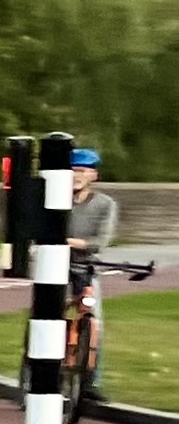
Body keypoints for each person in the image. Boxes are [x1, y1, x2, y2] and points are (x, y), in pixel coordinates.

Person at [67, 147, 119, 379]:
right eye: (71, 170)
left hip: (85, 269)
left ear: (93, 176)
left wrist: (66, 242)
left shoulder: (105, 204)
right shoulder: (57, 201)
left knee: (94, 321)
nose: (76, 176)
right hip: (56, 269)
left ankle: (92, 382)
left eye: (81, 171)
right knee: (48, 317)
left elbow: (100, 242)